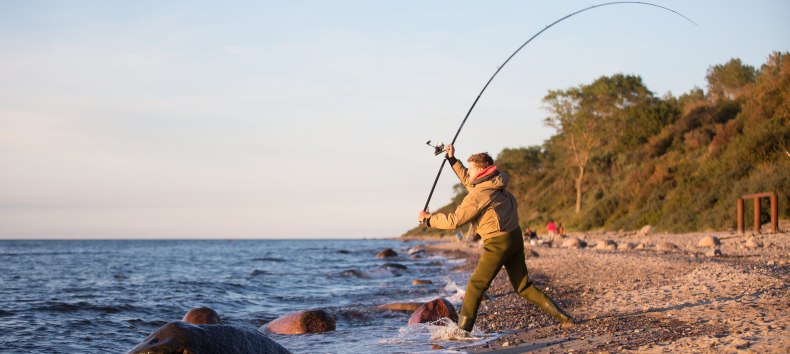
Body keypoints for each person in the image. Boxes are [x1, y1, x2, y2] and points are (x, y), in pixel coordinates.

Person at [418, 144, 575, 332]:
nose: (468, 172)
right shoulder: (495, 182)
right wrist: (453, 160)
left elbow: (454, 221)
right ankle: (564, 318)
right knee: (523, 286)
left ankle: (462, 333)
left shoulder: (479, 194)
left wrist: (428, 220)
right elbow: (470, 181)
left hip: (498, 243)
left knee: (475, 287)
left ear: (481, 170)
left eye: (471, 169)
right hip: (515, 237)